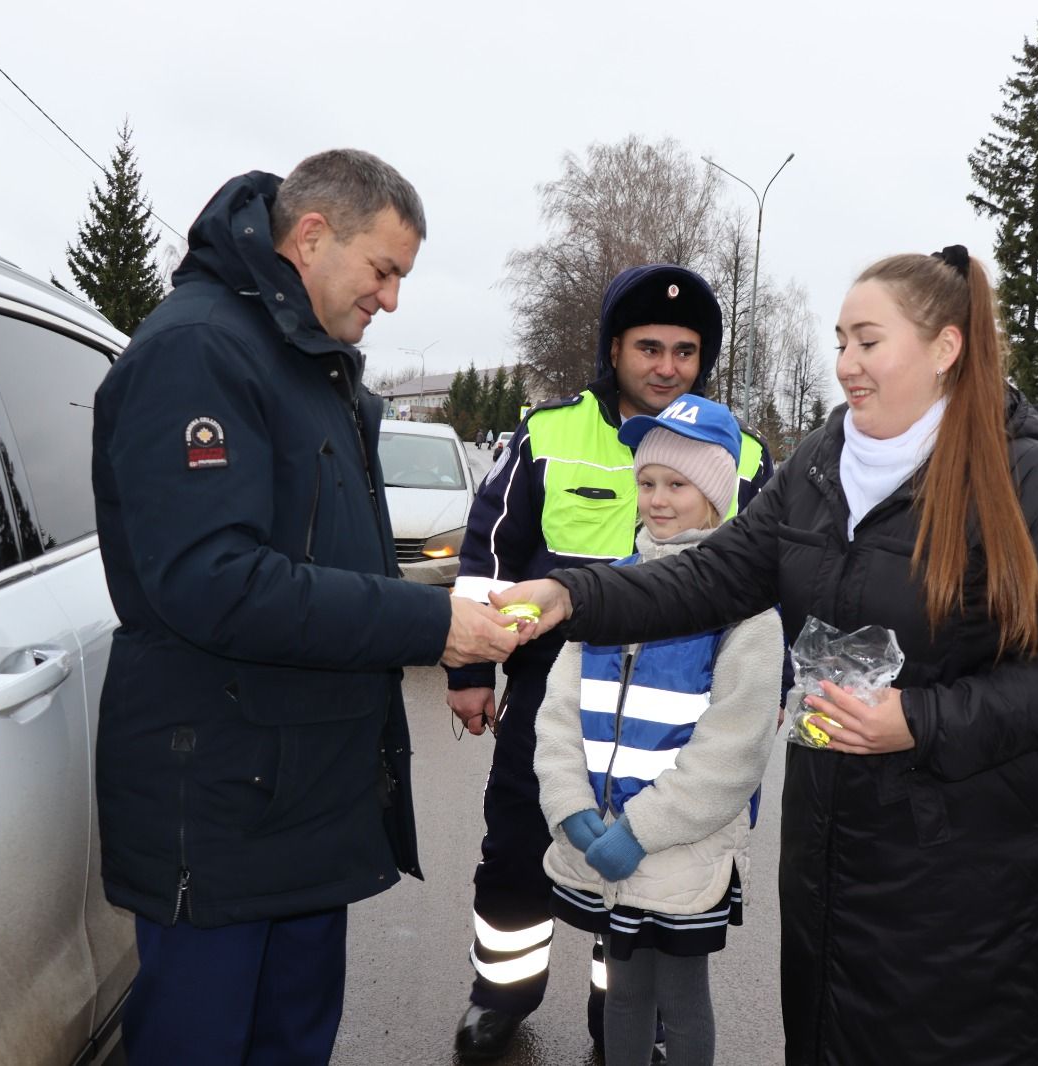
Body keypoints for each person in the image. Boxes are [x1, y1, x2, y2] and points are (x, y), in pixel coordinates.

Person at [501, 246, 1038, 1064]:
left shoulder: (1020, 479)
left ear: (944, 349)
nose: (845, 366)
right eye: (840, 342)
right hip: (830, 853)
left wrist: (922, 720)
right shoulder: (820, 468)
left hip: (959, 873)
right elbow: (712, 575)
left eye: (868, 342)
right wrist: (576, 597)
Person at [91, 150, 521, 1066]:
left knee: (291, 1043)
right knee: (200, 1045)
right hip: (219, 798)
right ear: (313, 235)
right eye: (384, 270)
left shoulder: (311, 365)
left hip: (299, 796)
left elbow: (325, 556)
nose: (392, 299)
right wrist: (432, 624)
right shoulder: (199, 353)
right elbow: (213, 579)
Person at [446, 263, 773, 1062]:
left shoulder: (747, 457)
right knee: (518, 856)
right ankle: (502, 994)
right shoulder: (550, 434)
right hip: (552, 697)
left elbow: (777, 590)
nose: (667, 366)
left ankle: (619, 1023)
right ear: (614, 349)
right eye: (650, 347)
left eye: (687, 351)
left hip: (677, 728)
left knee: (639, 889)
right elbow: (490, 551)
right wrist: (467, 673)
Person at [535, 394, 782, 1066]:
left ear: (717, 495)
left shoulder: (748, 615)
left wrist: (641, 831)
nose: (658, 499)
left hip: (683, 850)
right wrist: (570, 806)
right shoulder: (608, 590)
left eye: (678, 484)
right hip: (602, 837)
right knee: (620, 992)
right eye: (647, 482)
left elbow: (733, 753)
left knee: (680, 999)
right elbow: (558, 714)